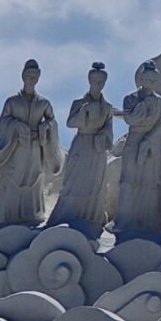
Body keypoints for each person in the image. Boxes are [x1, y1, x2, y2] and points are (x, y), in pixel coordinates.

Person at [0, 59, 63, 225]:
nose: (31, 79)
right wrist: (16, 126)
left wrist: (45, 126)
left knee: (34, 178)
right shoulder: (12, 102)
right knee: (12, 178)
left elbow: (52, 121)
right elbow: (4, 122)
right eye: (29, 76)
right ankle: (6, 215)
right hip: (16, 148)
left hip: (35, 148)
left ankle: (33, 214)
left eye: (34, 76)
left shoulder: (43, 103)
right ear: (23, 77)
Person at [49, 62, 118, 235]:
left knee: (95, 183)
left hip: (97, 149)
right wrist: (84, 112)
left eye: (101, 81)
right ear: (89, 80)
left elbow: (109, 130)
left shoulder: (107, 107)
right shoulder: (79, 103)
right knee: (74, 182)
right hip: (82, 143)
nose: (98, 84)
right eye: (95, 80)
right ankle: (67, 215)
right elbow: (70, 123)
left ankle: (90, 217)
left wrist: (103, 138)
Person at [112, 59, 161, 237]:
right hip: (135, 138)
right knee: (130, 179)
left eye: (154, 81)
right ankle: (124, 220)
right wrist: (143, 106)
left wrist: (150, 139)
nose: (151, 84)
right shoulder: (131, 99)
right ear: (141, 79)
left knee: (149, 182)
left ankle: (146, 221)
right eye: (147, 80)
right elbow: (130, 119)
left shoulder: (159, 101)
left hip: (151, 143)